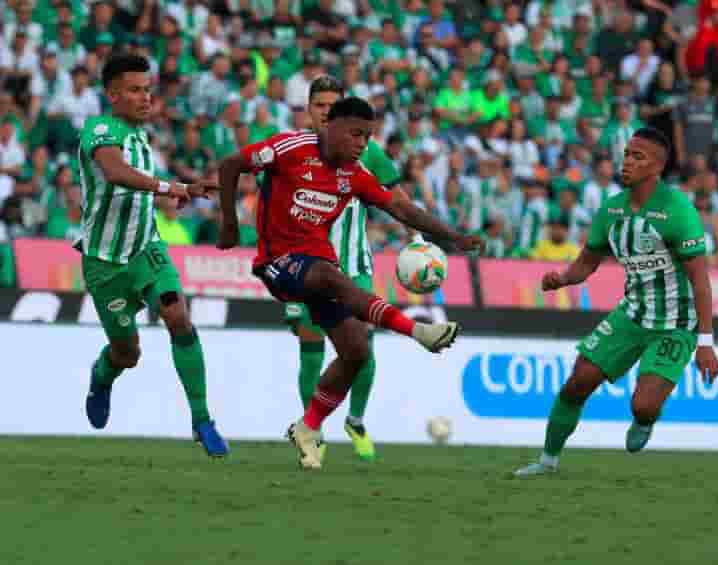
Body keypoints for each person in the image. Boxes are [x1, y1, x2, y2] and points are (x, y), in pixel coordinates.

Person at [216, 97, 482, 470]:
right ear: (330, 127)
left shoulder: (354, 174)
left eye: (368, 136)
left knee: (356, 350)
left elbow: (401, 208)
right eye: (356, 134)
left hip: (319, 266)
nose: (362, 143)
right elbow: (230, 165)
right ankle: (417, 331)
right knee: (330, 277)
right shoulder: (290, 148)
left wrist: (453, 237)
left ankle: (308, 427)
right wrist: (229, 221)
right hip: (278, 262)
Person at [514, 128, 718, 476]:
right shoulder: (611, 211)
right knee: (578, 380)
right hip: (632, 314)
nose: (627, 162)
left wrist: (706, 343)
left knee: (642, 406)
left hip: (675, 324)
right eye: (626, 154)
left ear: (657, 166)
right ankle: (547, 461)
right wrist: (563, 278)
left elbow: (701, 282)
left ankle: (645, 420)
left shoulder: (678, 211)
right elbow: (586, 264)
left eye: (638, 156)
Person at [77, 54, 228, 457]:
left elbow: (142, 194)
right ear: (113, 95)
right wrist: (167, 186)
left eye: (148, 89)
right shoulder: (100, 128)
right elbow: (114, 173)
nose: (145, 98)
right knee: (128, 353)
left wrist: (184, 190)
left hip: (146, 248)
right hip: (105, 263)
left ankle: (202, 420)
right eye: (134, 90)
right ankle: (102, 375)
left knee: (177, 314)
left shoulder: (144, 141)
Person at [277, 76, 402, 462]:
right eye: (320, 106)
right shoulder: (291, 149)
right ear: (308, 109)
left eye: (334, 106)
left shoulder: (368, 151)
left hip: (353, 265)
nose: (327, 112)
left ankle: (356, 419)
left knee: (361, 346)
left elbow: (395, 196)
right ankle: (312, 431)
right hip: (303, 265)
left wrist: (416, 237)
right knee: (311, 345)